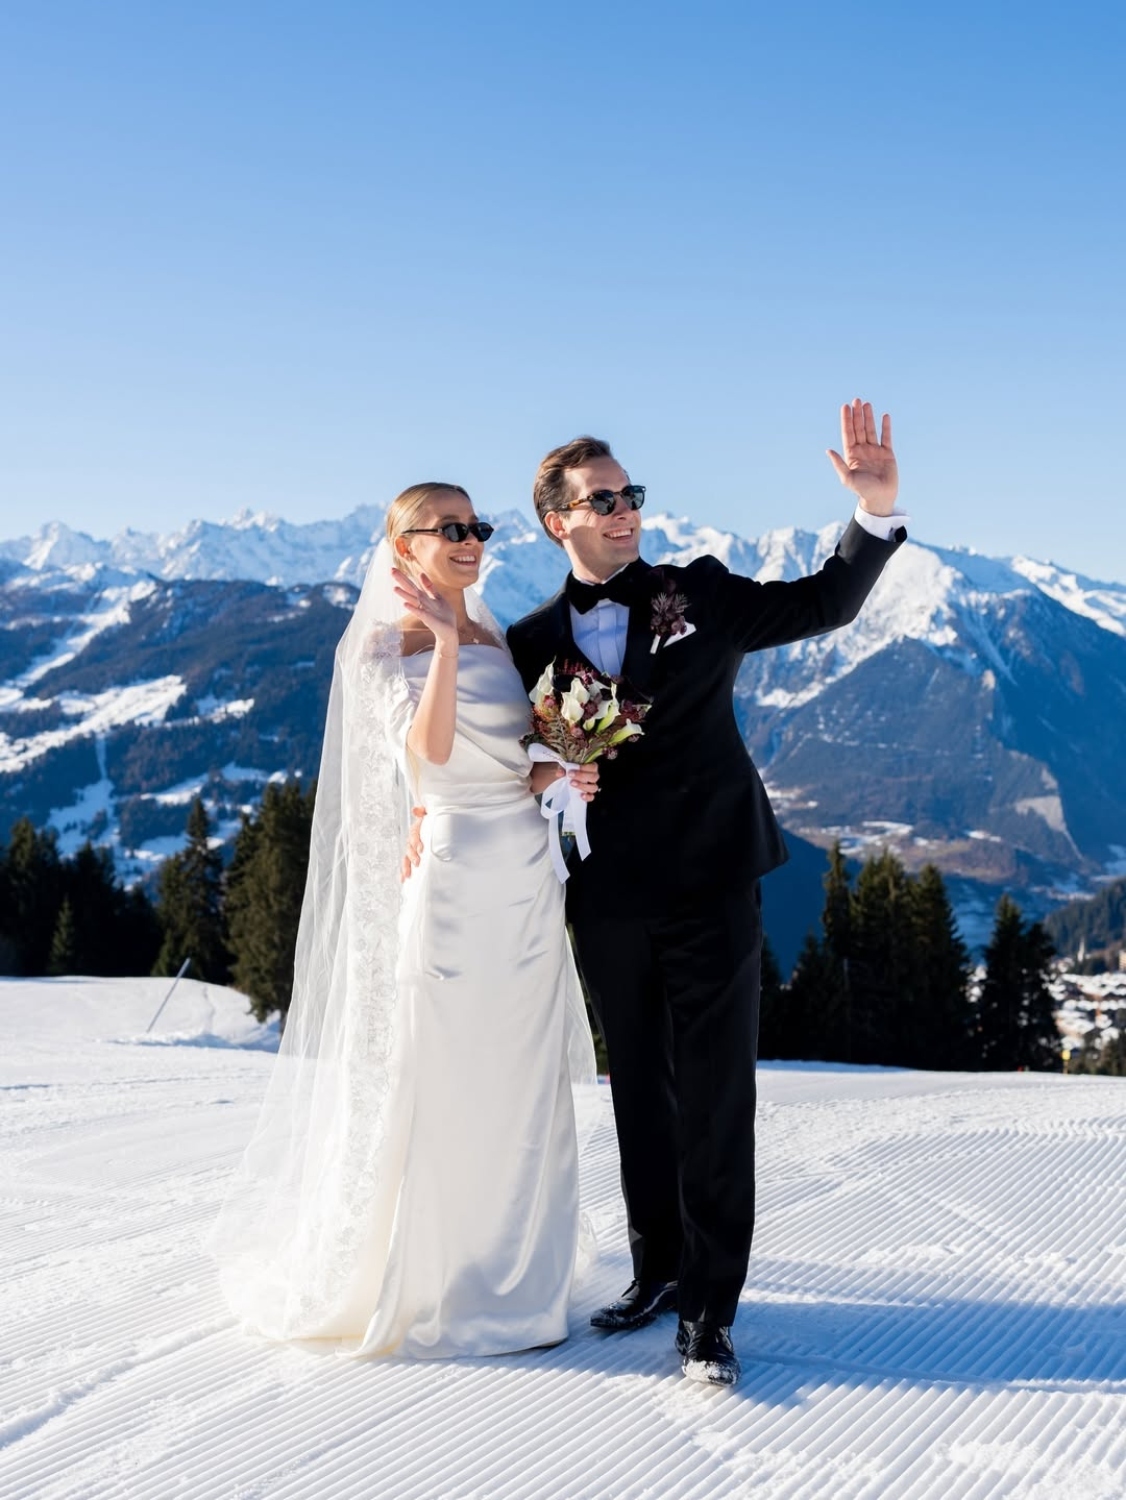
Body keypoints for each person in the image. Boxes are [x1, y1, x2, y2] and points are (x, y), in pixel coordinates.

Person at [504, 400, 906, 1386]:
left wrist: (874, 515)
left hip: (710, 879)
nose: (626, 512)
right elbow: (511, 754)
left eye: (631, 495)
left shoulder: (698, 593)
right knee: (638, 1089)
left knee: (716, 1098)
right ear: (558, 519)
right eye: (603, 500)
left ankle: (710, 1312)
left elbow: (824, 604)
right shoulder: (525, 641)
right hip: (602, 897)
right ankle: (655, 1273)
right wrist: (540, 770)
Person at [207, 482, 600, 1359]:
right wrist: (449, 643)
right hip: (457, 875)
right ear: (403, 549)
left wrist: (556, 776)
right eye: (449, 529)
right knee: (453, 1067)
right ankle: (444, 1274)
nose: (469, 540)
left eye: (477, 527)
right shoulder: (390, 647)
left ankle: (522, 1272)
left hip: (527, 876)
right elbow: (424, 759)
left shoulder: (500, 636)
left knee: (522, 1072)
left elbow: (511, 760)